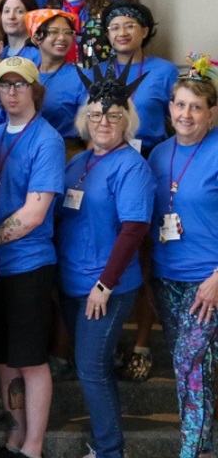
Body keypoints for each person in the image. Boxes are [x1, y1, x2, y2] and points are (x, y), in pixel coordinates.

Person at [56, 64, 155, 458]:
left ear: (126, 120)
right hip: (70, 281)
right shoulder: (78, 163)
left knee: (92, 371)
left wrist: (104, 285)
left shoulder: (132, 166)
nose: (103, 122)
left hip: (105, 288)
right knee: (93, 368)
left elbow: (133, 231)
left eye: (113, 115)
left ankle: (111, 451)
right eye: (96, 114)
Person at [0, 56, 66, 458]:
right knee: (2, 361)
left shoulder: (47, 139)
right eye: (5, 85)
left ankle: (33, 448)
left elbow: (34, 213)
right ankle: (14, 438)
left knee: (30, 362)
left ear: (36, 90)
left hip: (28, 265)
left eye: (20, 84)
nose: (12, 92)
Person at [148, 62, 218, 458]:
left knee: (190, 368)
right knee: (194, 369)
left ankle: (190, 452)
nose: (185, 114)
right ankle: (204, 448)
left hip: (207, 281)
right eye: (179, 105)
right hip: (166, 277)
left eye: (195, 107)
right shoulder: (159, 154)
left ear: (211, 113)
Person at [101, 0, 177, 154]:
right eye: (115, 28)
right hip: (107, 154)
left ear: (144, 31)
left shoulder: (164, 71)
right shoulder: (97, 73)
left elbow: (181, 119)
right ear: (108, 35)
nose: (122, 33)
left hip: (152, 154)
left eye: (130, 26)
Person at [26, 9, 87, 144]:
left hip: (67, 151)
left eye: (68, 33)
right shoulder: (25, 75)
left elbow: (91, 127)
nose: (62, 37)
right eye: (54, 31)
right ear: (36, 37)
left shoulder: (82, 78)